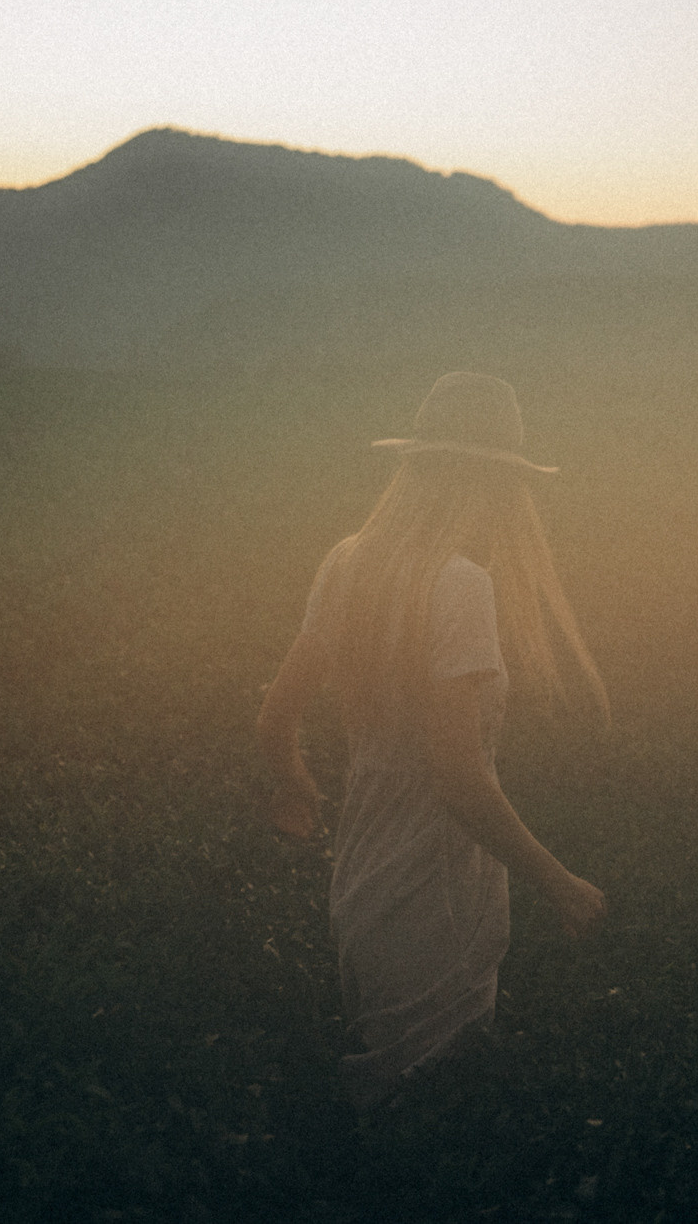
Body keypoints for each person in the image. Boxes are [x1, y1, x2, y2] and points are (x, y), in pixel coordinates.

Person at [256, 371, 610, 1108]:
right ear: (490, 482)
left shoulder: (348, 559)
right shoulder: (460, 586)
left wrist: (293, 781)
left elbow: (273, 718)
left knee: (392, 1103)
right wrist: (559, 882)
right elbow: (458, 778)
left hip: (361, 877)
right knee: (439, 1110)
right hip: (437, 891)